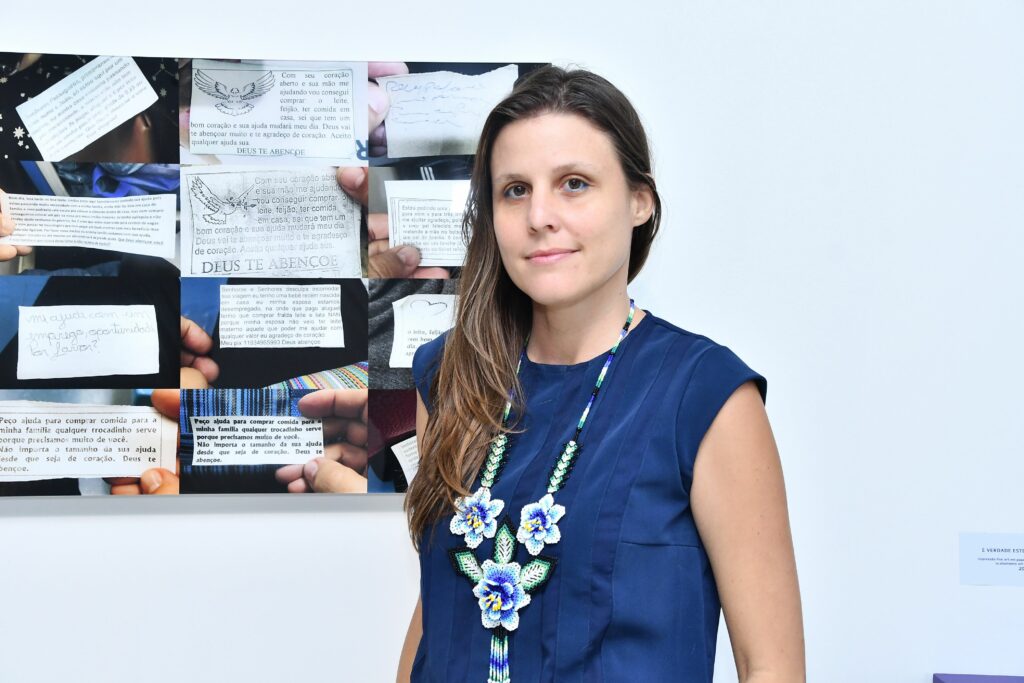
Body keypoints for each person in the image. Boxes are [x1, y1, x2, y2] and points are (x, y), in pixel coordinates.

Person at [398, 66, 805, 682]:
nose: (540, 215)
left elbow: (770, 665)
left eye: (574, 184)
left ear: (640, 201)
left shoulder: (707, 396)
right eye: (515, 190)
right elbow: (440, 605)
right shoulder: (450, 374)